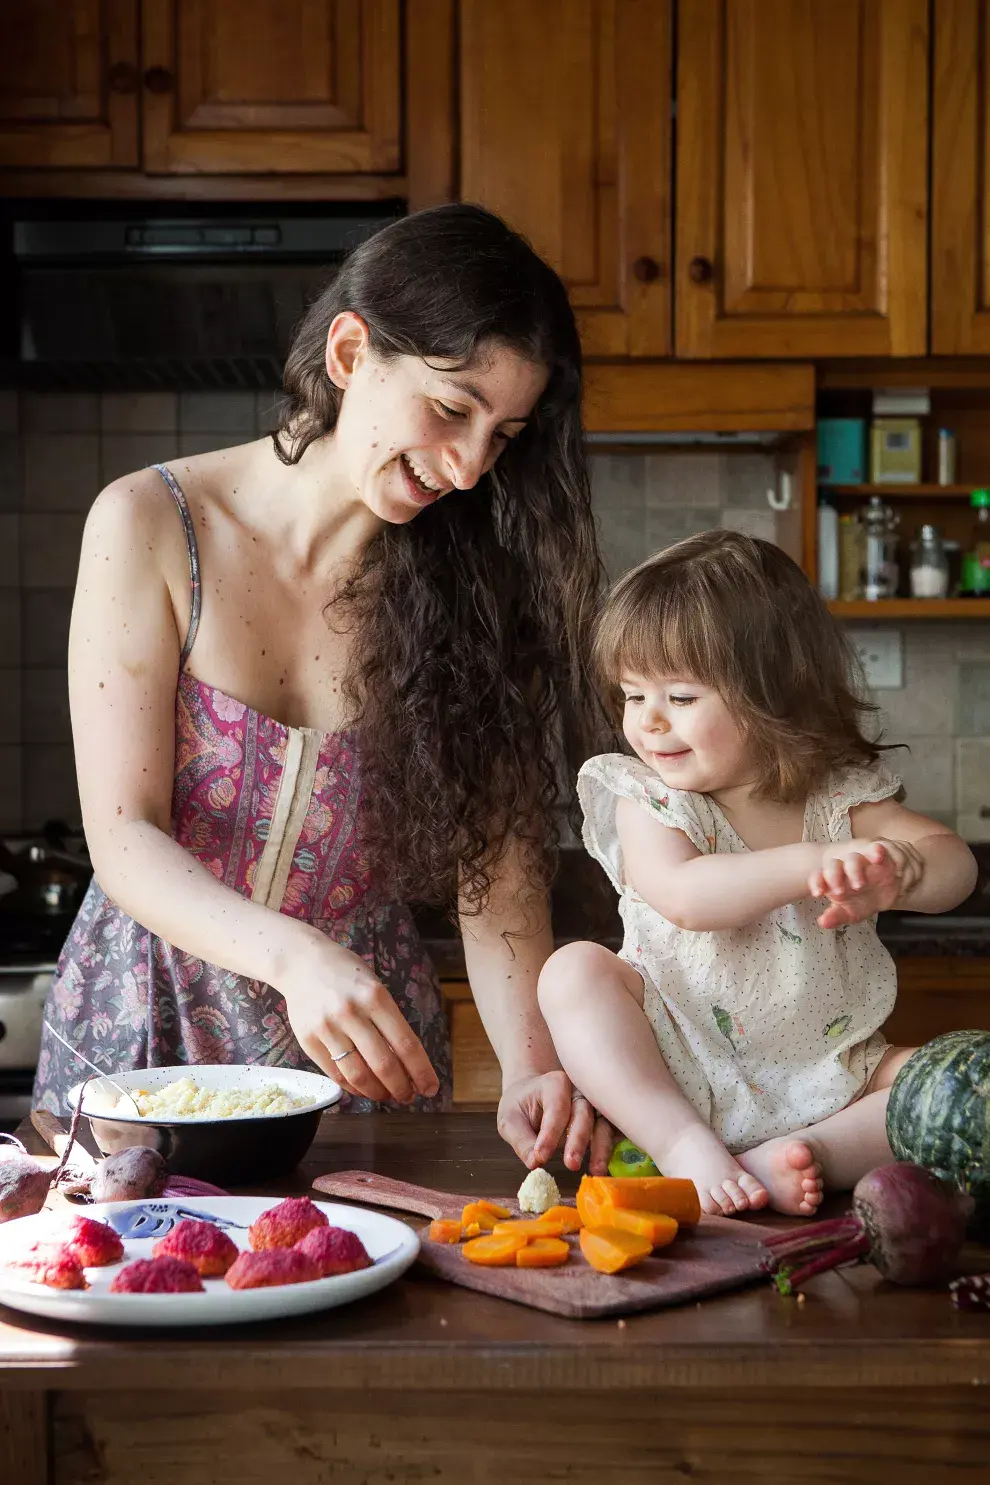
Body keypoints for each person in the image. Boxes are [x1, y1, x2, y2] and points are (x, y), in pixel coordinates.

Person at [34, 203, 615, 1176]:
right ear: (351, 353)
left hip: (364, 1052)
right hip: (146, 1030)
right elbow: (124, 834)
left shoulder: (486, 591)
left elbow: (501, 881)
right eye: (451, 408)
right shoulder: (149, 524)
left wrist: (529, 1067)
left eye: (503, 435)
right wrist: (296, 955)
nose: (472, 469)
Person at [537, 530, 978, 1216]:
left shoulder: (840, 795)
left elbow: (958, 867)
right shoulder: (651, 797)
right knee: (572, 973)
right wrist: (812, 864)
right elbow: (686, 895)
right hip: (675, 1060)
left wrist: (904, 868)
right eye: (632, 695)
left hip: (836, 1071)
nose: (649, 723)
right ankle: (683, 1144)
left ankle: (813, 1153)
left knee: (952, 1089)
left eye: (680, 696)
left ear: (775, 692)